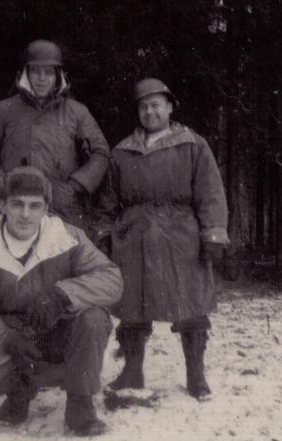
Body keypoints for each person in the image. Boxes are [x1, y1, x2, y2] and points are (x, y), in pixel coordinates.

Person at [0, 166, 123, 436]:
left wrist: (62, 296)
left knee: (93, 318)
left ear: (46, 208)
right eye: (17, 204)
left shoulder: (68, 237)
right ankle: (19, 392)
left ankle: (80, 404)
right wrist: (6, 339)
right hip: (13, 335)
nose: (26, 215)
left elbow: (111, 278)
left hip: (59, 329)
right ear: (2, 205)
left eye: (34, 206)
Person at [91, 78, 229, 401]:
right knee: (132, 307)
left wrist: (212, 232)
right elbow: (108, 201)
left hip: (181, 237)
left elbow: (210, 193)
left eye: (156, 105)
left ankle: (196, 375)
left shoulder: (193, 145)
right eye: (143, 106)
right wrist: (102, 234)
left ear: (169, 107)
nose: (150, 111)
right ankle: (132, 371)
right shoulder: (122, 152)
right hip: (133, 238)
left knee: (191, 305)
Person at [0, 39, 110, 228]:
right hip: (16, 207)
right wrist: (1, 182)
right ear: (26, 74)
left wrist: (76, 186)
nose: (42, 78)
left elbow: (101, 152)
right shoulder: (5, 109)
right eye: (36, 71)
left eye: (48, 72)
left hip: (64, 209)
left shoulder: (77, 112)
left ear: (58, 76)